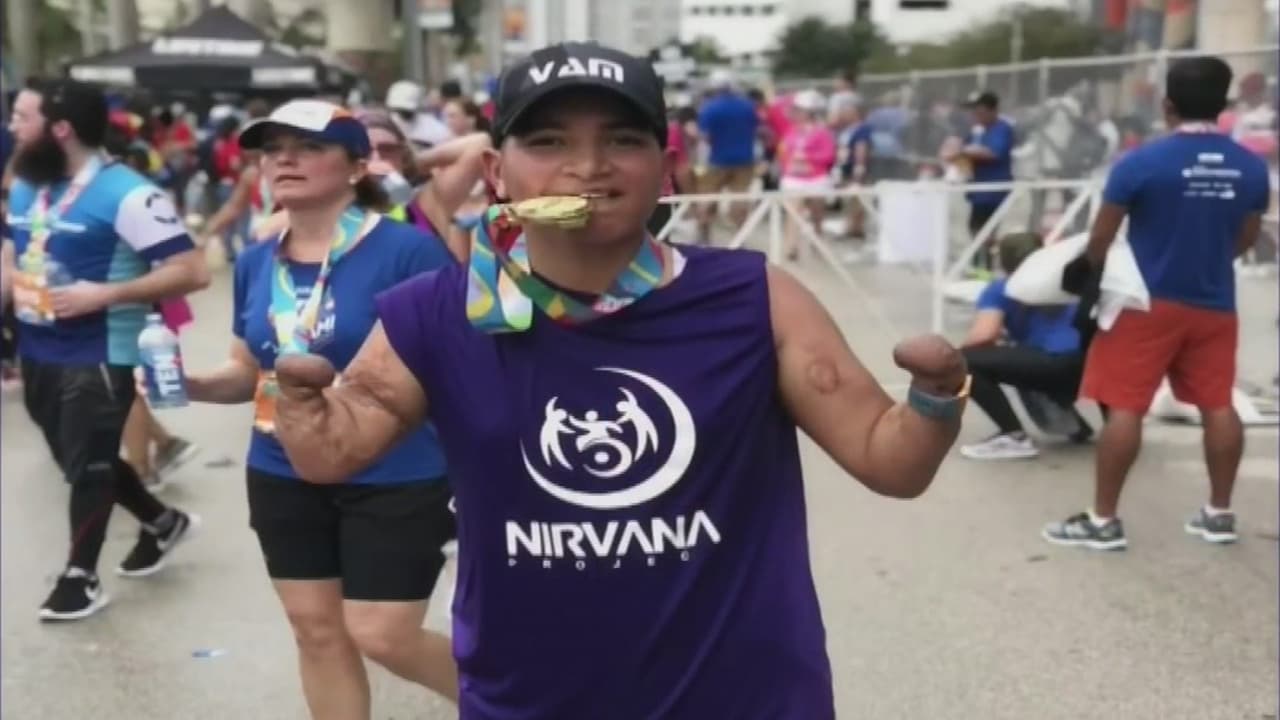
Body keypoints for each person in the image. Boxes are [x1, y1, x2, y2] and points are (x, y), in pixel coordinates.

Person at [268, 42, 969, 716]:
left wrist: (935, 399)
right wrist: (302, 409)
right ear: (495, 172)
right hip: (529, 703)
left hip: (747, 700)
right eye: (548, 142)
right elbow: (334, 451)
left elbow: (889, 460)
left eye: (623, 140)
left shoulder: (753, 297)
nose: (588, 166)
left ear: (666, 169)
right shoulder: (436, 312)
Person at [178, 100, 459, 717]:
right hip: (280, 468)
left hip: (394, 471)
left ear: (358, 166)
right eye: (273, 149)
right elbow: (247, 370)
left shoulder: (408, 252)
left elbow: (452, 367)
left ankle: (522, 706)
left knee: (383, 633)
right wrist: (188, 382)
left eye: (308, 147)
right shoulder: (258, 261)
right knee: (316, 631)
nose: (284, 159)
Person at [1043, 56, 1270, 551]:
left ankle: (1103, 520)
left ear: (1167, 106)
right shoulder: (1251, 167)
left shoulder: (1140, 163)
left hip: (1144, 302)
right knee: (1217, 404)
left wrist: (1082, 272)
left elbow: (1101, 239)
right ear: (1224, 104)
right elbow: (1247, 238)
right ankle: (1219, 514)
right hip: (1214, 302)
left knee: (1125, 406)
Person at [2, 79, 208, 620]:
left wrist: (106, 294)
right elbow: (13, 253)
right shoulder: (26, 184)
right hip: (37, 346)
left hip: (101, 348)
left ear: (60, 129)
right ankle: (163, 522)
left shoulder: (131, 194)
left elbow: (193, 271)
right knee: (78, 460)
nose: (11, 127)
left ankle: (80, 578)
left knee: (89, 465)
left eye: (21, 117)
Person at [959, 233, 1093, 461]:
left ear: (1003, 261)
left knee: (964, 361)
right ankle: (1077, 424)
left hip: (1053, 364)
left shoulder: (1003, 287)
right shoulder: (1071, 279)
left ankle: (1014, 436)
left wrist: (948, 358)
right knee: (1025, 354)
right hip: (1091, 363)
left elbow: (984, 335)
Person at [949, 91, 1015, 271]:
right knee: (974, 227)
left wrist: (966, 152)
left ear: (992, 110)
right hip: (977, 190)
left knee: (985, 230)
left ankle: (985, 268)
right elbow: (961, 153)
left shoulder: (1002, 129)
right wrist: (957, 160)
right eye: (973, 111)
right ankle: (979, 266)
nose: (975, 115)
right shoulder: (976, 131)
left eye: (979, 111)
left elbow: (993, 153)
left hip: (993, 190)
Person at [694, 69, 760, 245]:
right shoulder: (748, 106)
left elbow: (705, 137)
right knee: (740, 199)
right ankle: (740, 238)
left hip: (717, 160)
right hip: (745, 160)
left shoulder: (709, 108)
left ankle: (703, 235)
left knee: (706, 198)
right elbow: (756, 129)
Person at [778, 90, 837, 260]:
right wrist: (787, 164)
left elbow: (829, 155)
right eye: (796, 110)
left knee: (817, 214)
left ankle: (817, 241)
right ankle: (791, 247)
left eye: (800, 110)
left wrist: (808, 158)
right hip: (793, 179)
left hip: (816, 179)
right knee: (793, 213)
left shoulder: (822, 132)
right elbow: (785, 151)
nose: (796, 113)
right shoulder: (791, 130)